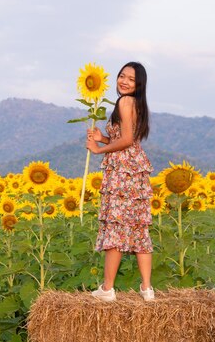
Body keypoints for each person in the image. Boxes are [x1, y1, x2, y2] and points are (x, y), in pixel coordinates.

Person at [85, 62, 154, 302]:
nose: (123, 81)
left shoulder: (124, 102)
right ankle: (147, 289)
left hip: (122, 171)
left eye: (131, 79)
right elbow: (128, 139)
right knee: (138, 229)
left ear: (139, 84)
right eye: (121, 76)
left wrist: (97, 150)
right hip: (136, 170)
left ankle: (107, 289)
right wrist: (102, 138)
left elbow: (125, 140)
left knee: (115, 227)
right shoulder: (137, 104)